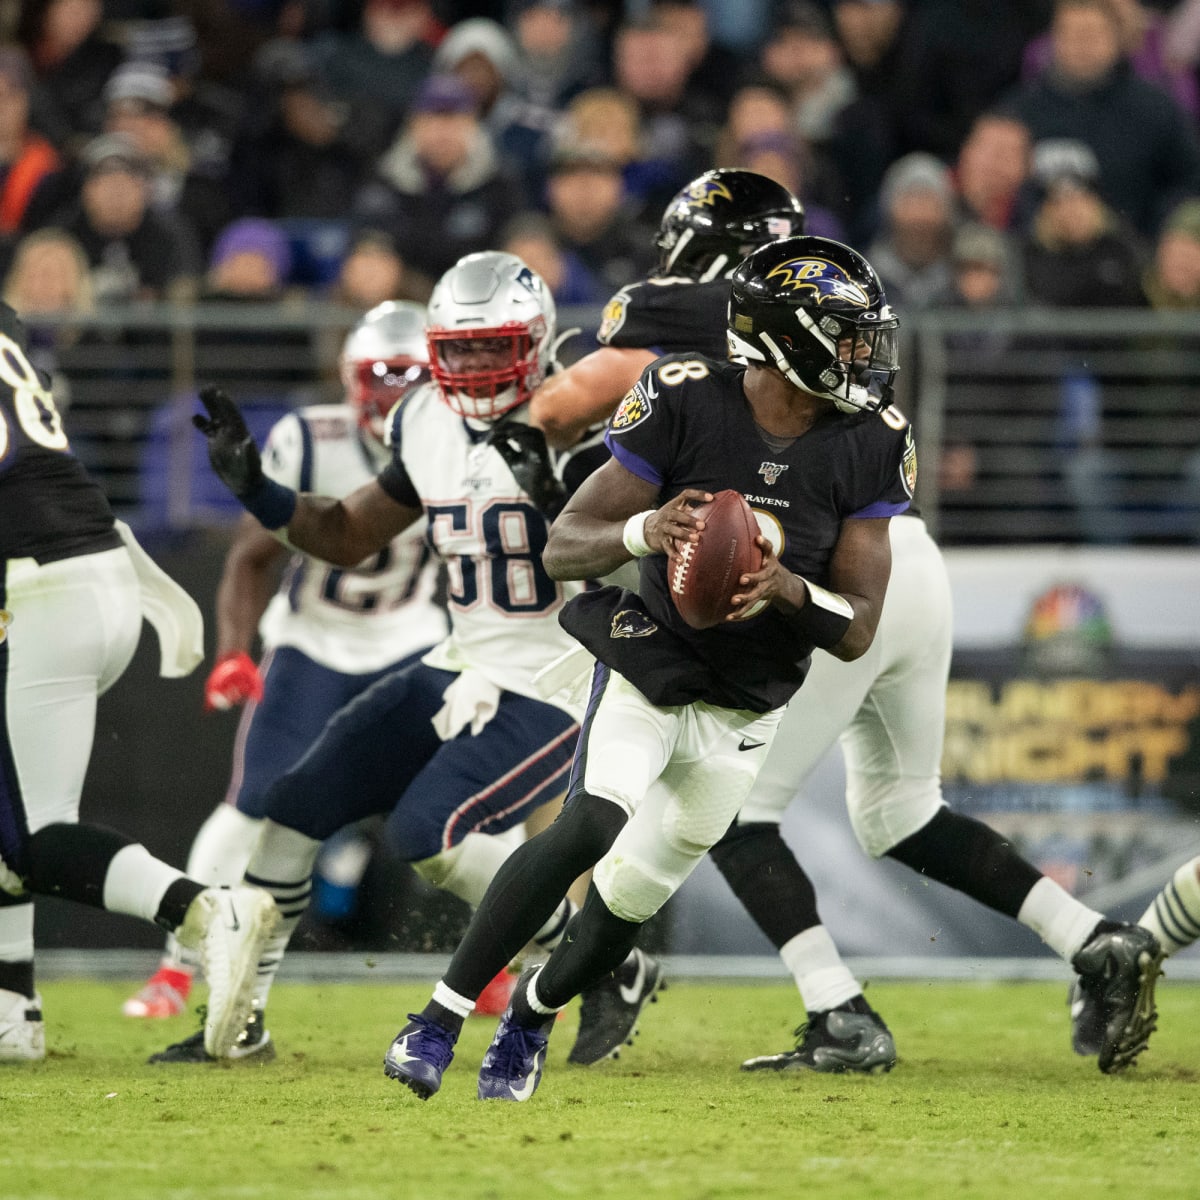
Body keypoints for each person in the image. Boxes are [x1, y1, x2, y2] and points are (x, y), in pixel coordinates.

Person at [532, 170, 1162, 1078]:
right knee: (901, 809)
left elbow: (571, 402)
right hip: (908, 563)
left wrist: (538, 433)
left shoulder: (681, 315)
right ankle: (1095, 940)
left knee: (737, 805)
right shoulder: (833, 318)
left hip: (810, 582)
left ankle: (839, 1011)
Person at [382, 233, 914, 1103]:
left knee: (624, 902)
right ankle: (434, 1021)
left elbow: (855, 630)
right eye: (845, 334)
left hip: (751, 704)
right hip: (651, 658)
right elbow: (564, 548)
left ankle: (532, 1015)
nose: (864, 355)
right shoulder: (685, 397)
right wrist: (646, 530)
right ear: (789, 340)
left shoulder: (870, 440)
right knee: (590, 825)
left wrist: (783, 587)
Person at [187, 252, 657, 1064]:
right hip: (462, 659)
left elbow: (634, 567)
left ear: (539, 341)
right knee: (295, 804)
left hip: (558, 674)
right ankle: (244, 1020)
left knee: (427, 833)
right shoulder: (426, 418)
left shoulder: (590, 422)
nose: (474, 367)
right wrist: (259, 492)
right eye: (460, 349)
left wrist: (556, 496)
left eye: (493, 347)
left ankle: (597, 956)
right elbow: (347, 533)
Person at [124, 301, 447, 1032]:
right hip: (314, 641)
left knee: (464, 814)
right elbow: (252, 557)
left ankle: (504, 967)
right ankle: (179, 964)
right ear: (349, 379)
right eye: (380, 375)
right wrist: (235, 652)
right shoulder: (311, 436)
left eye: (409, 375)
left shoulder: (460, 441)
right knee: (251, 805)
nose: (393, 391)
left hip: (415, 640)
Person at [0, 298, 279, 1063]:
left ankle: (203, 912)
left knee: (32, 835)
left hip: (38, 585)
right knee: (12, 820)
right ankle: (12, 1008)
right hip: (88, 572)